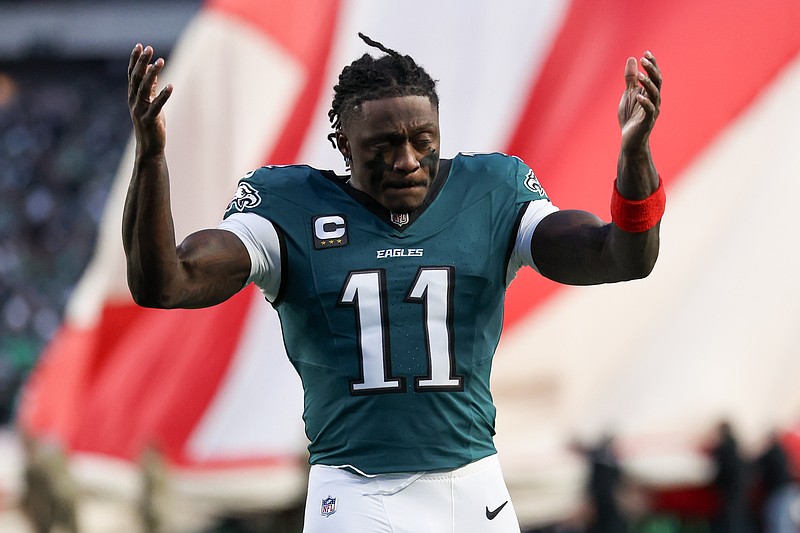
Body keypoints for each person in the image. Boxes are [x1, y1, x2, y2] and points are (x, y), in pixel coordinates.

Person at [124, 33, 663, 533]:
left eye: (422, 140)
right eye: (383, 145)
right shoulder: (289, 207)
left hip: (473, 485)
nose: (408, 161)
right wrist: (151, 160)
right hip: (356, 491)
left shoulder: (491, 192)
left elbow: (617, 256)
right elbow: (167, 283)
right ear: (343, 143)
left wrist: (634, 156)